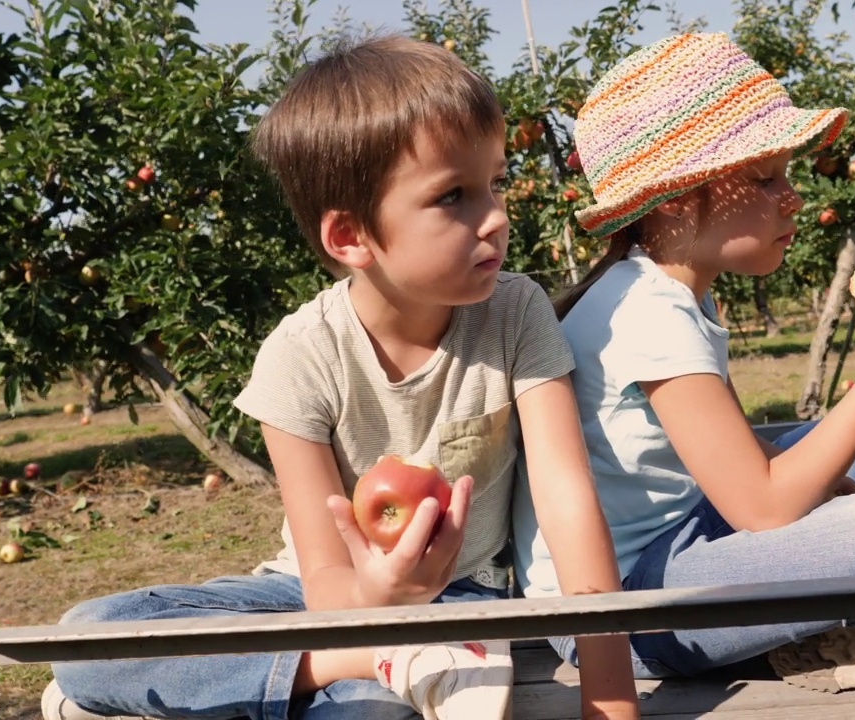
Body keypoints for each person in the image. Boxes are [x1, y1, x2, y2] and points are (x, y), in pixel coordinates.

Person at [42, 33, 638, 720]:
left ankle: (227, 688)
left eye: (496, 183)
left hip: (460, 597)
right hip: (317, 599)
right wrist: (371, 616)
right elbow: (324, 581)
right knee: (88, 633)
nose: (498, 216)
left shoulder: (517, 312)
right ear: (350, 237)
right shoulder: (298, 358)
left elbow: (568, 500)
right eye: (454, 196)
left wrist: (611, 696)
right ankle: (366, 660)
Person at [512, 32, 855, 707]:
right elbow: (762, 504)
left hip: (677, 535)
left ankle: (795, 626)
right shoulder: (649, 314)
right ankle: (804, 639)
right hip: (621, 611)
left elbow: (746, 459)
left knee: (833, 461)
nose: (792, 198)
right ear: (681, 197)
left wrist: (825, 487)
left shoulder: (672, 290)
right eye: (767, 178)